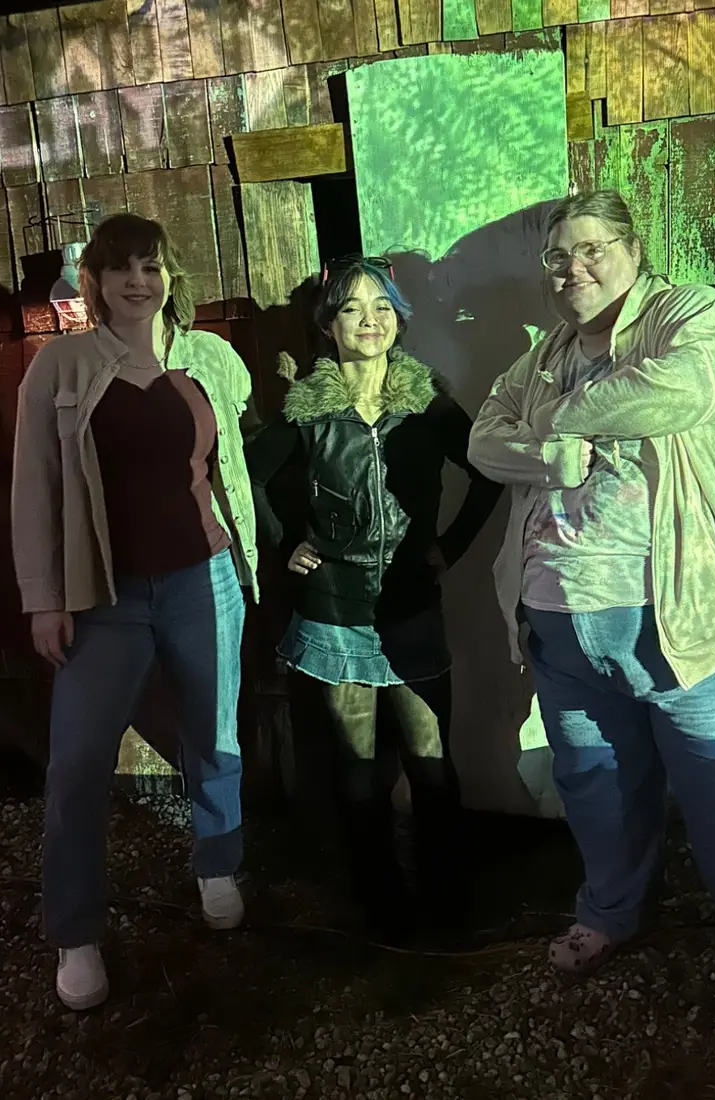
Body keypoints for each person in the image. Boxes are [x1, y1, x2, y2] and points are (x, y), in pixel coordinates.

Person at [468, 190, 715, 1030]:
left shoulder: (686, 313)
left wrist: (553, 423)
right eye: (558, 257)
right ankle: (613, 909)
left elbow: (695, 385)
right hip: (564, 625)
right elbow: (485, 437)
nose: (573, 270)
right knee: (596, 784)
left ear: (634, 248)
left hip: (708, 615)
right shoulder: (546, 353)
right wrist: (542, 452)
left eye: (591, 249)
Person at [11, 213, 259, 1011]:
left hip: (205, 578)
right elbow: (35, 490)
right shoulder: (63, 365)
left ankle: (217, 864)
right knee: (79, 764)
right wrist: (44, 599)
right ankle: (76, 932)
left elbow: (232, 453)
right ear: (95, 282)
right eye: (121, 268)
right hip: (105, 597)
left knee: (214, 735)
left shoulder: (208, 357)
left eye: (151, 267)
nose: (138, 282)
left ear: (169, 277)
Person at [245, 255, 501, 943]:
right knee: (357, 769)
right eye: (353, 308)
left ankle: (446, 900)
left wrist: (453, 544)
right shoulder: (307, 409)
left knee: (430, 761)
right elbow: (251, 479)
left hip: (410, 605)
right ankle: (379, 904)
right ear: (328, 325)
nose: (370, 320)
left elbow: (490, 472)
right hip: (334, 609)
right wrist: (283, 544)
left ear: (399, 320)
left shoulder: (427, 399)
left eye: (382, 307)